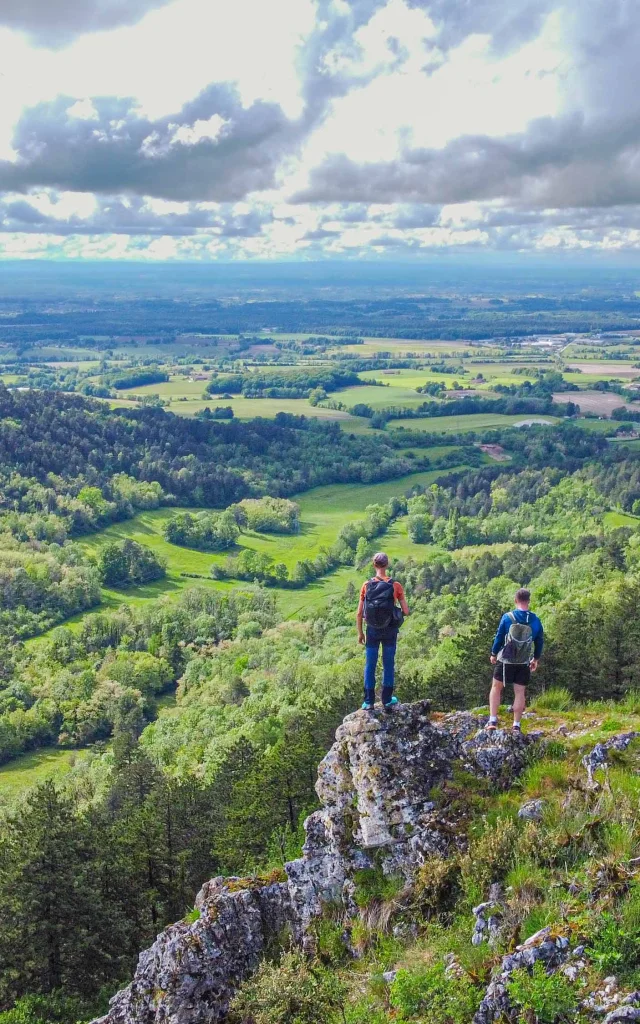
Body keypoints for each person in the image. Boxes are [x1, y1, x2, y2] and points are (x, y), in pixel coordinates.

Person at [357, 552, 410, 710]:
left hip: (372, 630)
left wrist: (360, 633)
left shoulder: (366, 586)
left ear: (374, 565)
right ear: (387, 565)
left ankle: (368, 702)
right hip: (390, 630)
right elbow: (406, 611)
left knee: (370, 664)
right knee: (388, 664)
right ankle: (387, 699)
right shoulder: (395, 585)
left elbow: (359, 613)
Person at [487, 587, 544, 732]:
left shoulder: (508, 617)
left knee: (496, 688)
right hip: (524, 661)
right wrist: (535, 659)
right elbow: (539, 641)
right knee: (519, 692)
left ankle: (493, 720)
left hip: (506, 660)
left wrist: (494, 653)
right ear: (528, 601)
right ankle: (516, 725)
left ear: (515, 600)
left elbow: (499, 637)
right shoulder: (535, 620)